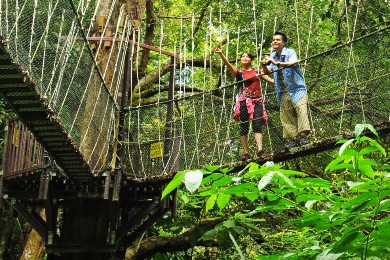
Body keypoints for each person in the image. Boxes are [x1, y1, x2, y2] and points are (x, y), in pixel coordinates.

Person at [214, 46, 274, 161]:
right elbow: (228, 65)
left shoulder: (257, 71)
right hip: (243, 101)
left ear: (251, 60)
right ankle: (246, 153)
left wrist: (281, 79)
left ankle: (260, 150)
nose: (244, 58)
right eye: (242, 56)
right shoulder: (239, 73)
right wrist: (221, 54)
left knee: (257, 124)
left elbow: (270, 80)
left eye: (247, 56)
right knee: (244, 126)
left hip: (257, 101)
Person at [261, 31, 311, 149]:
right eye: (274, 40)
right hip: (282, 91)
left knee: (301, 109)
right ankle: (292, 139)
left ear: (284, 42)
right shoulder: (272, 55)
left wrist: (276, 63)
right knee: (286, 115)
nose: (275, 41)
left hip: (297, 89)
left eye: (278, 40)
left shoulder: (290, 52)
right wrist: (264, 65)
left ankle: (303, 136)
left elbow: (294, 63)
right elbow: (267, 71)